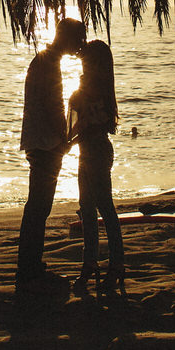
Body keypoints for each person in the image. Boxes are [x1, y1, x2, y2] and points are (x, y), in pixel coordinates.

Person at [16, 18, 86, 291]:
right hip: (45, 144)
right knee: (38, 208)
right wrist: (65, 138)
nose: (79, 46)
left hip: (40, 141)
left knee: (37, 208)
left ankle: (31, 266)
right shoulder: (48, 65)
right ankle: (29, 269)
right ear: (67, 38)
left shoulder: (44, 61)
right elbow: (54, 107)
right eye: (77, 41)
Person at [68, 39, 123, 295]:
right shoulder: (95, 89)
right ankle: (91, 264)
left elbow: (80, 127)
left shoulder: (93, 91)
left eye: (86, 61)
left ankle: (113, 265)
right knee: (89, 209)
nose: (83, 65)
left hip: (96, 152)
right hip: (88, 152)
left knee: (103, 208)